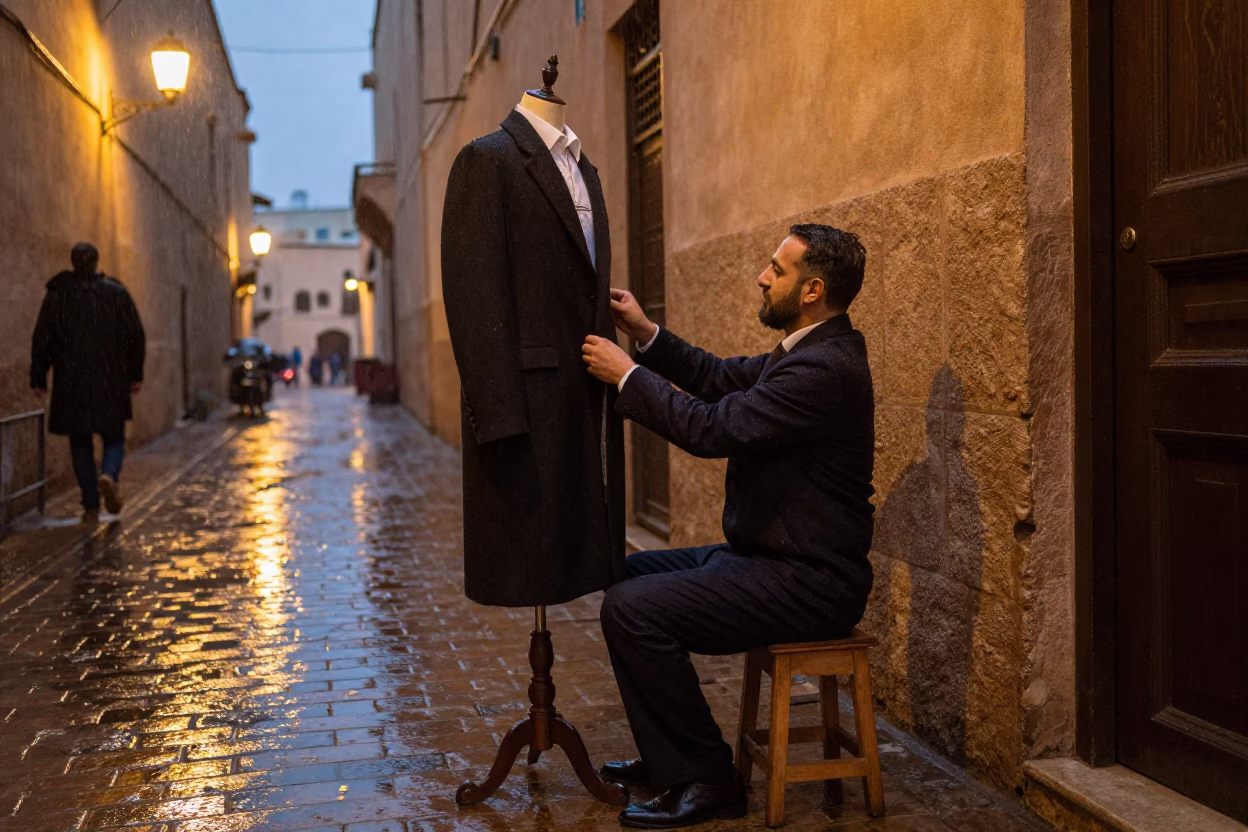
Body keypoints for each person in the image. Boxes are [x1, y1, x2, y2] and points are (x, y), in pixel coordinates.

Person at [581, 224, 875, 829]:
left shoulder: (824, 369)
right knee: (622, 575)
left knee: (633, 610)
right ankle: (672, 758)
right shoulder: (804, 352)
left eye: (778, 269)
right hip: (763, 558)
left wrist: (627, 376)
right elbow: (717, 377)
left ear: (813, 289)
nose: (763, 278)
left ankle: (710, 780)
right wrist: (646, 335)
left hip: (809, 581)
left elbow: (712, 428)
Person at [30, 242, 146, 522]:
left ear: (73, 263)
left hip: (72, 383)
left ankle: (91, 503)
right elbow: (135, 336)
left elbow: (42, 338)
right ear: (96, 262)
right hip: (110, 380)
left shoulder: (58, 295)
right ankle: (109, 474)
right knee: (114, 436)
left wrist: (39, 378)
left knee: (80, 441)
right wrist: (134, 374)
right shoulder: (116, 293)